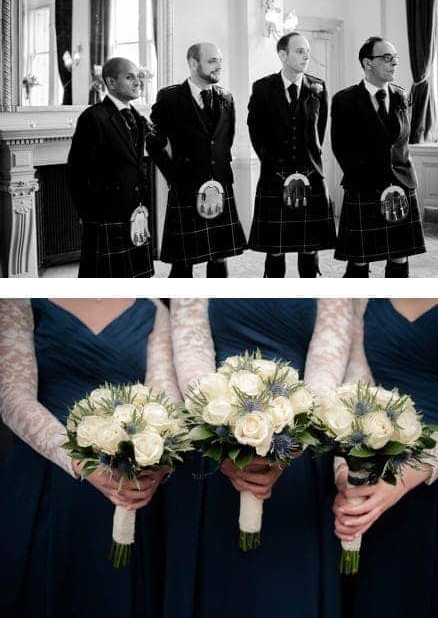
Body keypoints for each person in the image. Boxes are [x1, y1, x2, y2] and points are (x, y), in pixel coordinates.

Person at [163, 298, 351, 618]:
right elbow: (191, 346)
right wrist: (220, 435)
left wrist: (287, 448)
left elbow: (327, 363)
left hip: (296, 452)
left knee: (283, 594)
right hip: (214, 448)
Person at [0, 299, 177, 617]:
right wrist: (81, 461)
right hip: (43, 480)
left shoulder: (153, 308)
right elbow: (13, 394)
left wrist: (159, 464)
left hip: (127, 484)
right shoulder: (21, 299)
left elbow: (163, 396)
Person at [335, 298, 438, 617]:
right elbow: (353, 389)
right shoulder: (360, 297)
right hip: (370, 463)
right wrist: (347, 474)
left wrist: (405, 476)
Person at [148, 42, 247, 278]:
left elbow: (226, 139)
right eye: (212, 61)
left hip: (220, 186)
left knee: (219, 257)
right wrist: (173, 175)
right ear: (193, 63)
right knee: (183, 262)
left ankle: (218, 307)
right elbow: (153, 142)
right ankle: (174, 310)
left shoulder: (226, 97)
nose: (218, 66)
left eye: (220, 61)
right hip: (186, 188)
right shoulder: (170, 97)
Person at [331, 38, 426, 278]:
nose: (394, 62)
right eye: (386, 57)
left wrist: (399, 183)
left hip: (401, 186)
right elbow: (341, 148)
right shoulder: (345, 100)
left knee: (399, 257)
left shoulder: (404, 96)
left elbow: (401, 144)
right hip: (364, 189)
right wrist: (374, 184)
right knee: (359, 262)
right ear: (367, 63)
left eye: (395, 57)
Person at [247, 32, 334, 278]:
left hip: (311, 176)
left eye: (307, 50)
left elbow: (320, 129)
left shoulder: (318, 87)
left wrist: (309, 160)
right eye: (299, 51)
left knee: (309, 247)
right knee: (275, 248)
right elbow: (256, 130)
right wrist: (272, 160)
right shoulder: (263, 88)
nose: (307, 55)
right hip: (274, 177)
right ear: (282, 55)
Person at [67, 57, 154, 277]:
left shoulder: (136, 117)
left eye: (138, 77)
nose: (137, 82)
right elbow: (76, 171)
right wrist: (88, 214)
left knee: (137, 281)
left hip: (135, 211)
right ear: (111, 82)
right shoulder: (93, 117)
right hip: (105, 215)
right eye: (129, 77)